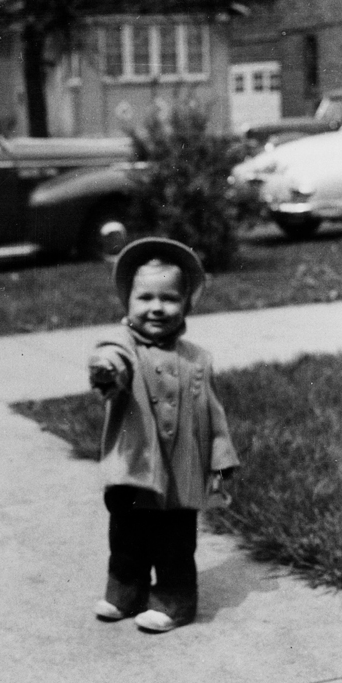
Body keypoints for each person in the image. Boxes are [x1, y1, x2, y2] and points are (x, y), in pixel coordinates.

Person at [88, 237, 239, 633]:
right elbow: (112, 359)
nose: (157, 307)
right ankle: (125, 592)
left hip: (182, 471)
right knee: (127, 538)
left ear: (187, 303)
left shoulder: (197, 358)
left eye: (169, 298)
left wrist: (221, 459)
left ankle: (174, 601)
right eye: (145, 297)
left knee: (174, 543)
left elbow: (213, 412)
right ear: (128, 301)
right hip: (134, 467)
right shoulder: (123, 346)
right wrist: (105, 369)